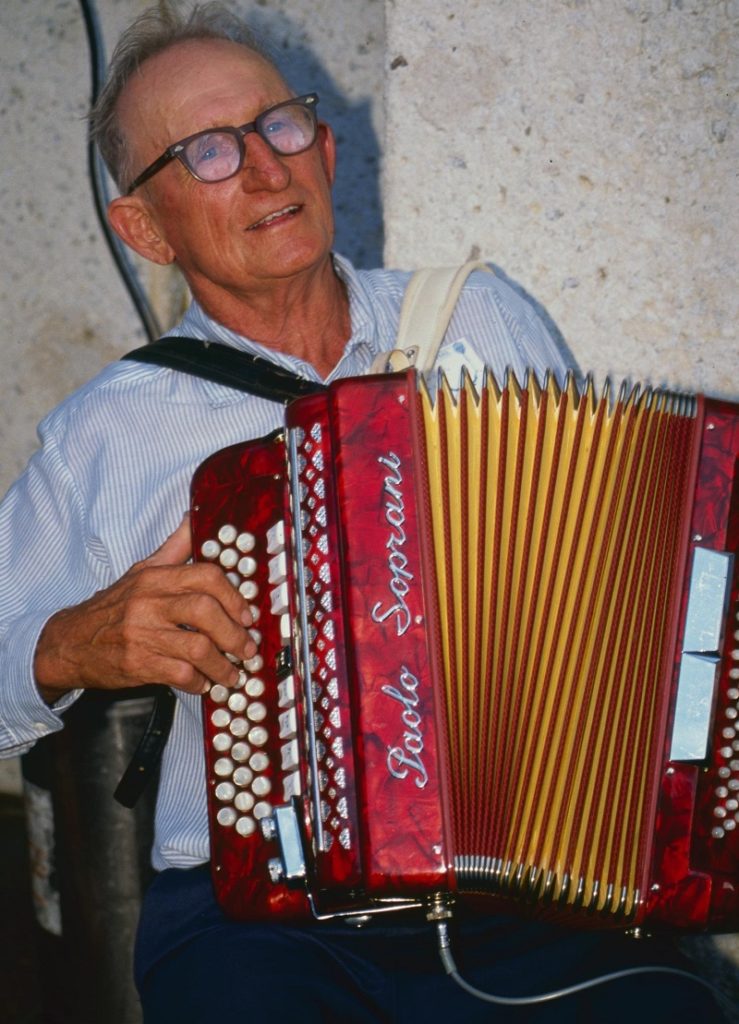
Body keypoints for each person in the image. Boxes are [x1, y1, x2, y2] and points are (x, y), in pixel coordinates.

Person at [0, 3, 729, 1022]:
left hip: (529, 889)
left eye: (281, 125)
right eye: (207, 151)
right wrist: (71, 644)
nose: (263, 168)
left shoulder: (478, 317)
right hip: (255, 919)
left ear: (326, 147)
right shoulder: (106, 436)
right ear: (143, 227)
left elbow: (615, 571)